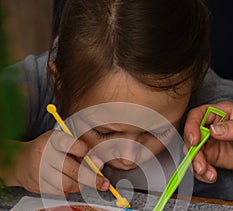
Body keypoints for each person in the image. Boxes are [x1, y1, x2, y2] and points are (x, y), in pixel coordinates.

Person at [2, 0, 233, 199]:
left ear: (193, 85)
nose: (127, 157)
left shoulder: (215, 107)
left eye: (156, 132)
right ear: (59, 85)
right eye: (105, 132)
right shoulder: (31, 87)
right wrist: (13, 163)